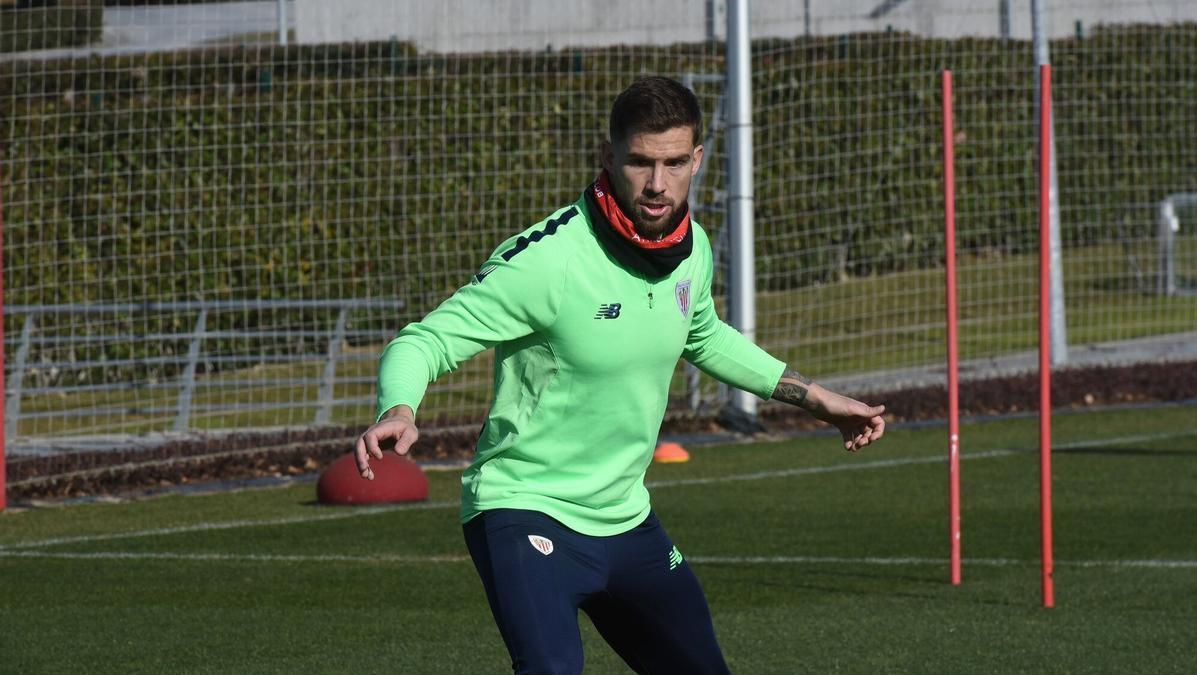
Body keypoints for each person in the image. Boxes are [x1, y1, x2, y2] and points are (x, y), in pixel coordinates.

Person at [355, 76, 886, 674]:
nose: (657, 184)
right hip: (526, 508)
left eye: (674, 162)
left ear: (697, 159)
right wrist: (397, 408)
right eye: (639, 162)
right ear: (608, 157)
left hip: (626, 520)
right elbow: (424, 340)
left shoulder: (694, 248)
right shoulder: (549, 260)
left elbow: (703, 334)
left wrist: (813, 397)